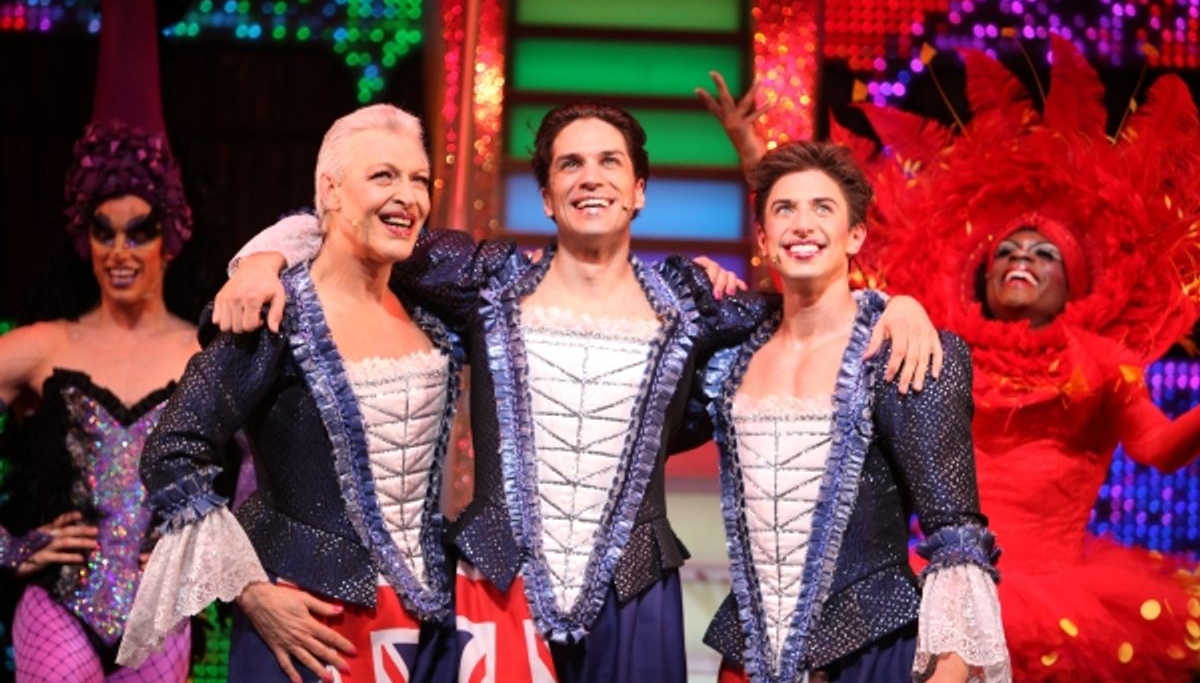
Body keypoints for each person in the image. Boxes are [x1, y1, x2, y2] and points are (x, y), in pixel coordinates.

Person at [216, 101, 942, 682]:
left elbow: (813, 304)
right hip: (497, 587)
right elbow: (355, 228)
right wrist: (264, 258)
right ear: (547, 194)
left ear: (639, 190)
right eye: (570, 163)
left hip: (635, 598)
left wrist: (895, 304)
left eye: (609, 163)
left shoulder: (689, 299)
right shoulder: (487, 281)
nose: (589, 177)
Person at [705, 35, 1200, 680]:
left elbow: (1160, 448)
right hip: (927, 578)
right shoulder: (925, 343)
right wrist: (755, 155)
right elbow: (821, 272)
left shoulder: (1103, 364)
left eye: (1043, 252)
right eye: (1007, 252)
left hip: (1065, 604)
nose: (1021, 259)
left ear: (1074, 278)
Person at [114, 105, 471, 683]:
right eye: (383, 176)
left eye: (419, 180)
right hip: (307, 629)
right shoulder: (276, 312)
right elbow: (172, 450)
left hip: (421, 628)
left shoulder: (430, 305)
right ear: (329, 190)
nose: (408, 195)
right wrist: (247, 589)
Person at [689, 141, 1009, 683]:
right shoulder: (732, 351)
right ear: (764, 239)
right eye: (784, 209)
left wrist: (948, 672)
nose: (802, 224)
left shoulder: (906, 350)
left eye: (822, 208)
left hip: (871, 646)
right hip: (749, 657)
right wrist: (688, 288)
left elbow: (955, 534)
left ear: (854, 235)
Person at [0, 0, 198, 682]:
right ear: (84, 238)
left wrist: (198, 551)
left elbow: (262, 482)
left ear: (170, 237)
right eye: (103, 229)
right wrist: (10, 544)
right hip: (57, 604)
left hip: (162, 609)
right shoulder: (44, 346)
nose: (120, 249)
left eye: (139, 229)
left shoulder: (204, 354)